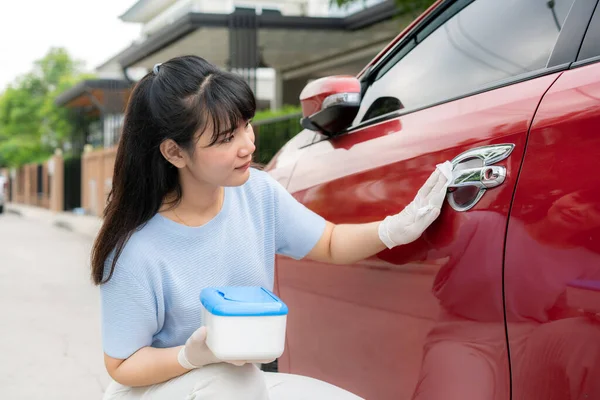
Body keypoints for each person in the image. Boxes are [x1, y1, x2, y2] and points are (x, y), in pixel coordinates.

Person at [91, 55, 451, 400]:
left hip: (237, 385)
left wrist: (395, 229)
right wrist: (192, 355)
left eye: (245, 125)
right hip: (158, 388)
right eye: (225, 138)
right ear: (175, 153)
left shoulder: (257, 193)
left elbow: (328, 241)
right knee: (234, 382)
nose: (248, 145)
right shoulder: (137, 248)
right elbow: (122, 364)